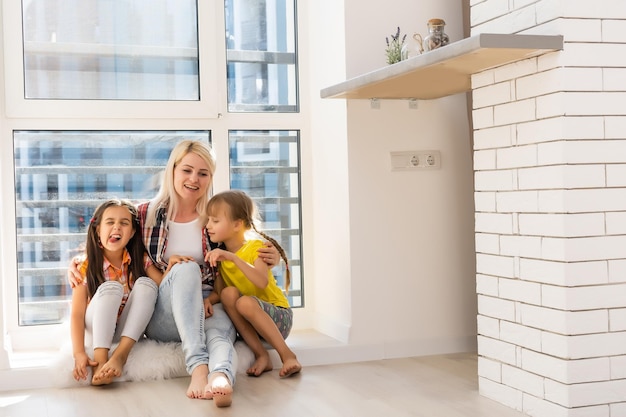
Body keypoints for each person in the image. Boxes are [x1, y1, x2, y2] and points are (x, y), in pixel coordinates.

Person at [67, 140, 280, 408]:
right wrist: (80, 259)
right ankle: (198, 368)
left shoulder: (215, 217)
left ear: (210, 178)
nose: (194, 179)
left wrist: (273, 256)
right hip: (162, 310)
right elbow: (112, 238)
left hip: (208, 303)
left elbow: (245, 240)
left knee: (219, 335)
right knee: (187, 267)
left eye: (203, 173)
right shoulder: (145, 214)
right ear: (173, 171)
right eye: (187, 170)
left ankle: (221, 379)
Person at [204, 190, 302, 378]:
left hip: (279, 318)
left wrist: (233, 258)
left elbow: (261, 281)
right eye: (208, 220)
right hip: (252, 325)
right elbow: (221, 292)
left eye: (215, 221)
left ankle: (288, 355)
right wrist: (208, 301)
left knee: (245, 302)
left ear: (237, 224)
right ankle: (261, 355)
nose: (208, 226)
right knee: (228, 294)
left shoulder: (256, 248)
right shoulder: (222, 257)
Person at [70, 198, 161, 386]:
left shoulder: (140, 260)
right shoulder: (85, 265)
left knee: (147, 284)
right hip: (96, 331)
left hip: (124, 331)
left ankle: (120, 356)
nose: (117, 228)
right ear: (97, 230)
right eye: (110, 222)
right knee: (112, 288)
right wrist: (79, 353)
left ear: (132, 232)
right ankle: (100, 361)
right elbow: (77, 315)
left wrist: (175, 267)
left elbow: (164, 286)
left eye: (124, 223)